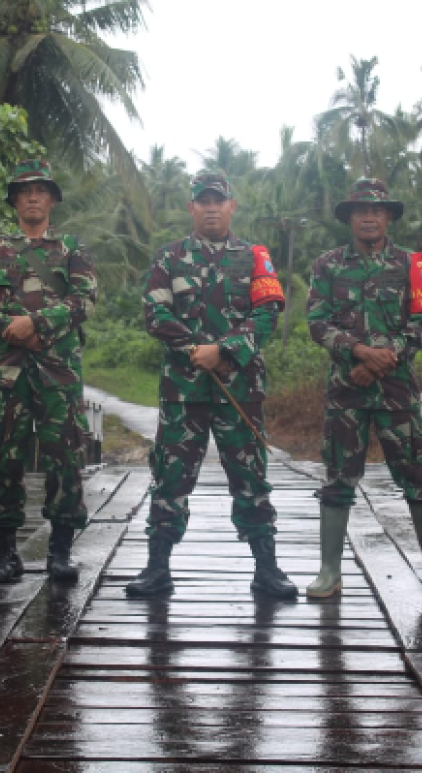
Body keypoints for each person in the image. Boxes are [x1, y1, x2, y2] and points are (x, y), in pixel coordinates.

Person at [125, 170, 297, 600]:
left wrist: (225, 350)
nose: (211, 208)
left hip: (241, 388)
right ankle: (157, 568)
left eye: (218, 200)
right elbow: (156, 315)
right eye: (203, 201)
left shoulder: (255, 257)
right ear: (192, 208)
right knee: (169, 476)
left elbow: (266, 314)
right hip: (183, 391)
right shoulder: (169, 258)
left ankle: (267, 569)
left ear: (231, 206)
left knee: (251, 475)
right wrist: (194, 350)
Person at [305, 178, 422, 598]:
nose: (369, 217)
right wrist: (357, 351)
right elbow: (318, 322)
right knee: (338, 477)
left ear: (388, 216)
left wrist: (385, 355)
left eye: (377, 211)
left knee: (418, 474)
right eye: (360, 211)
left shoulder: (412, 264)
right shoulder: (328, 264)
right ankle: (329, 571)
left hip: (397, 388)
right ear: (349, 217)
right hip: (345, 388)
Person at [0, 159, 97, 585]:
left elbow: (84, 301)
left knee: (65, 457)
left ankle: (60, 552)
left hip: (58, 373)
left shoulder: (72, 249)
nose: (33, 197)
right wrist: (8, 328)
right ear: (15, 200)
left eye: (41, 190)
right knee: (2, 456)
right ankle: (4, 552)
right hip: (6, 373)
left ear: (52, 198)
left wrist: (37, 324)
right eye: (25, 191)